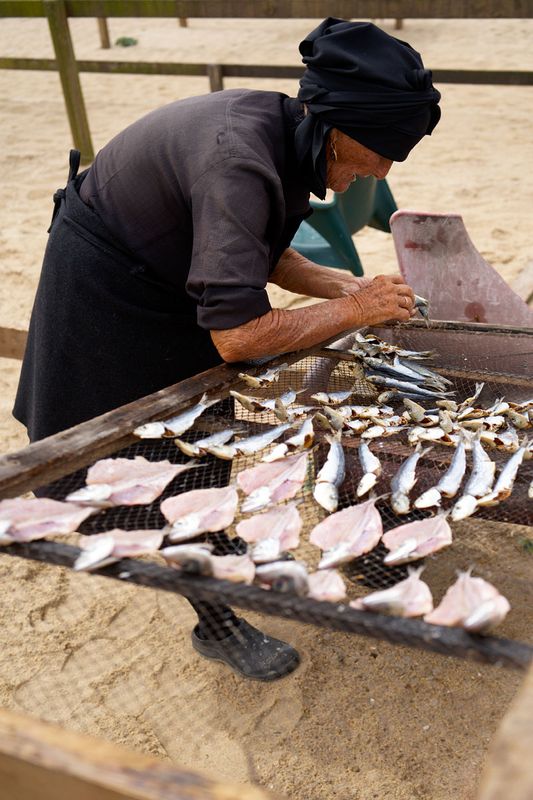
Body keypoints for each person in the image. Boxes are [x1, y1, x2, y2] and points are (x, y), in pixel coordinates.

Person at [14, 19, 441, 681]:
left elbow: (254, 252)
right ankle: (215, 621)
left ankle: (225, 551)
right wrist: (353, 310)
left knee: (204, 445)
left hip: (163, 275)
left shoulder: (285, 131)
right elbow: (240, 337)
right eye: (380, 152)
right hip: (110, 295)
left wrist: (341, 285)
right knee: (157, 463)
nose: (381, 171)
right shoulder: (238, 159)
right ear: (334, 125)